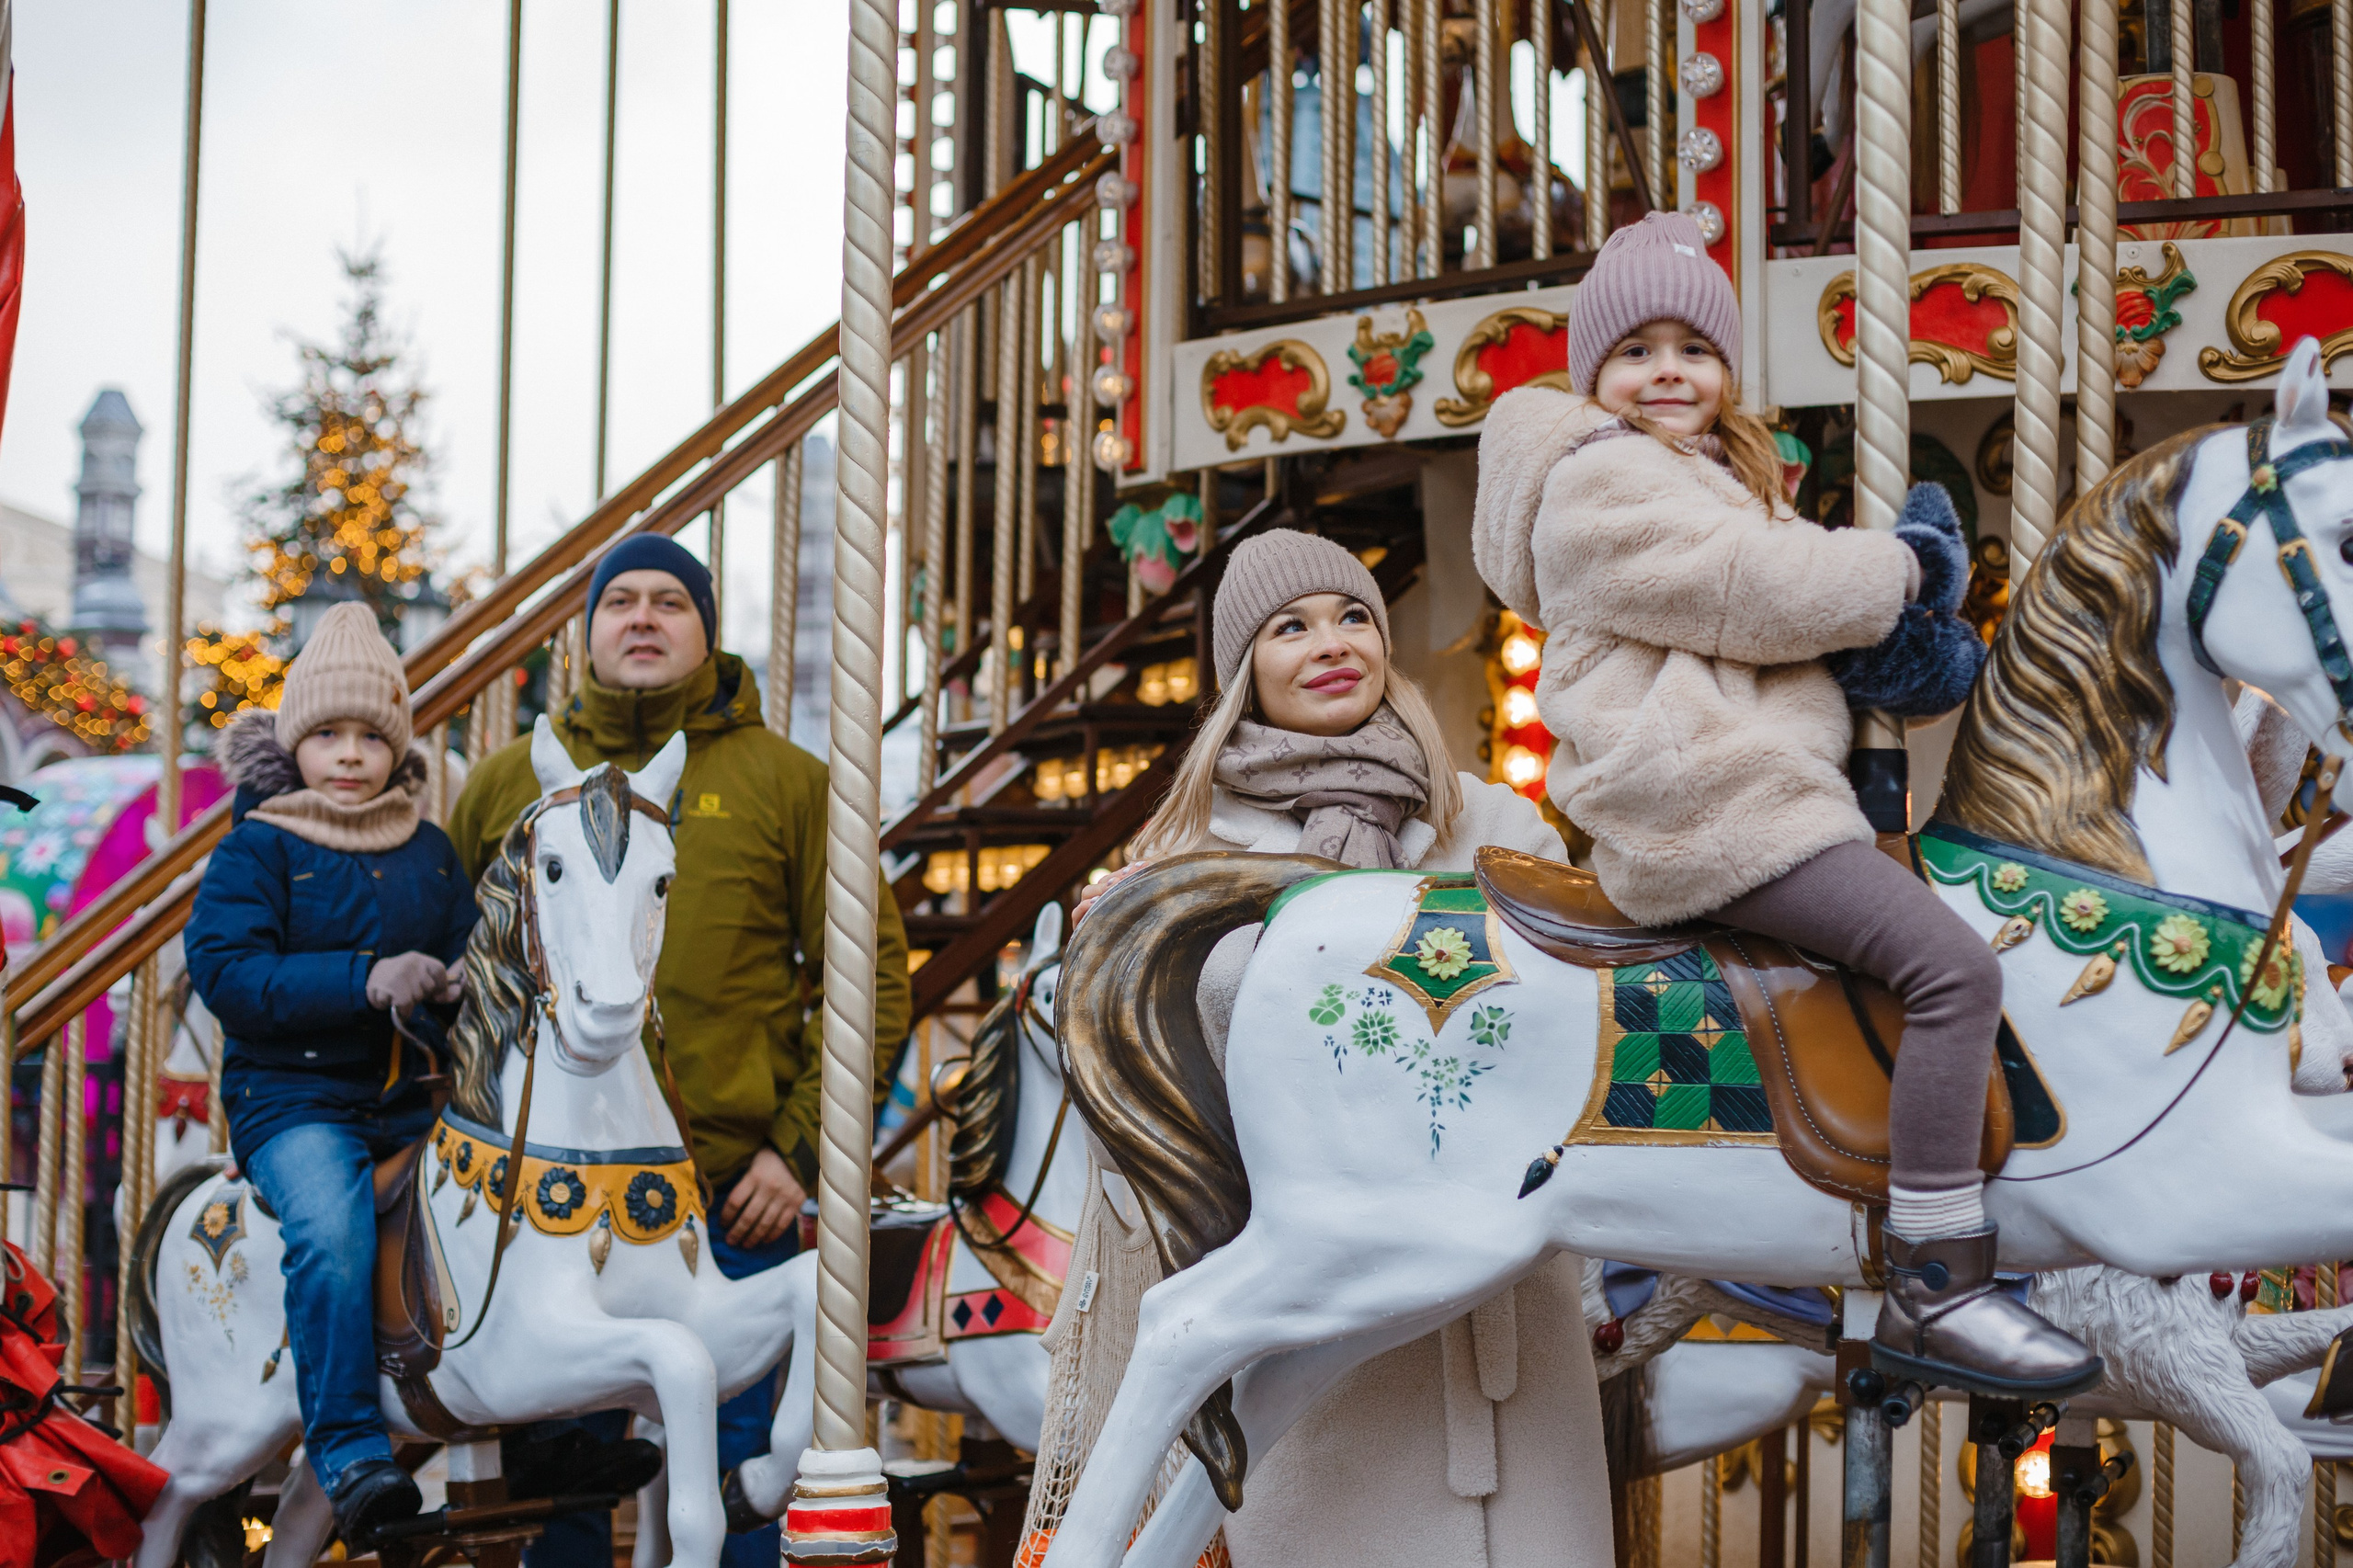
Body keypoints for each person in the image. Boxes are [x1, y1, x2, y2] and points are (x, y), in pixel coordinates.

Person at [1470, 210, 2097, 1392]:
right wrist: (1897, 569)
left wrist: (1893, 657)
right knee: (1955, 970)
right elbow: (1751, 588)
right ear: (1592, 376)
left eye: (1693, 349)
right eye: (1637, 350)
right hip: (1711, 803)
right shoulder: (1595, 481)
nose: (1668, 371)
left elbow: (1763, 622)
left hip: (1757, 787)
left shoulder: (1709, 476)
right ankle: (1935, 1278)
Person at [1053, 528, 1616, 1568]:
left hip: (1497, 1313)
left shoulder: (1489, 823)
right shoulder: (1186, 862)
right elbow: (1145, 1097)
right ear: (1243, 671)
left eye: (1353, 615)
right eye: (1290, 625)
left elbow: (1573, 1020)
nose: (1332, 641)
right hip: (1308, 1318)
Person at [446, 534, 912, 1568]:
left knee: (739, 1474)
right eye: (621, 601)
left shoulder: (786, 782)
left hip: (727, 1187)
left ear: (707, 630)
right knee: (560, 1479)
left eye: (671, 601)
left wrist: (795, 1148)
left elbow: (867, 976)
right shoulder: (506, 783)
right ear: (590, 631)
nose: (644, 618)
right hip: (542, 1200)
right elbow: (456, 966)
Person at [183, 602, 480, 1550]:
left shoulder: (428, 849)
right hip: (292, 1098)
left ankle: (536, 1430)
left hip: (406, 1096)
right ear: (294, 745)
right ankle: (348, 1442)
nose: (350, 755)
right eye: (327, 735)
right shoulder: (260, 844)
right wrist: (362, 978)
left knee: (497, 1206)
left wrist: (465, 978)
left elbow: (458, 939)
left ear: (396, 747)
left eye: (369, 735)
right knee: (333, 1226)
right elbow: (228, 973)